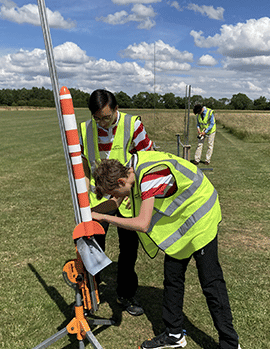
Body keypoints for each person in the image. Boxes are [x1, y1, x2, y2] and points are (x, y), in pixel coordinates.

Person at [91, 151, 239, 349]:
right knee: (172, 277)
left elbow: (143, 223)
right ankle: (174, 334)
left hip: (201, 216)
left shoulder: (151, 175)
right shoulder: (129, 172)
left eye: (116, 192)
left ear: (120, 181)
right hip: (182, 223)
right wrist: (89, 214)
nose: (116, 199)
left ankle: (230, 343)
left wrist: (105, 218)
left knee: (211, 282)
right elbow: (113, 203)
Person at [80, 89, 154, 316]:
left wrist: (134, 190)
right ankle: (92, 292)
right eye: (97, 118)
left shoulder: (133, 125)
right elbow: (82, 163)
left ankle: (126, 293)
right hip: (97, 199)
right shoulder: (84, 130)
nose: (102, 123)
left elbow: (149, 157)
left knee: (129, 249)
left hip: (127, 199)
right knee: (92, 247)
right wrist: (85, 194)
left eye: (106, 117)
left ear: (116, 109)